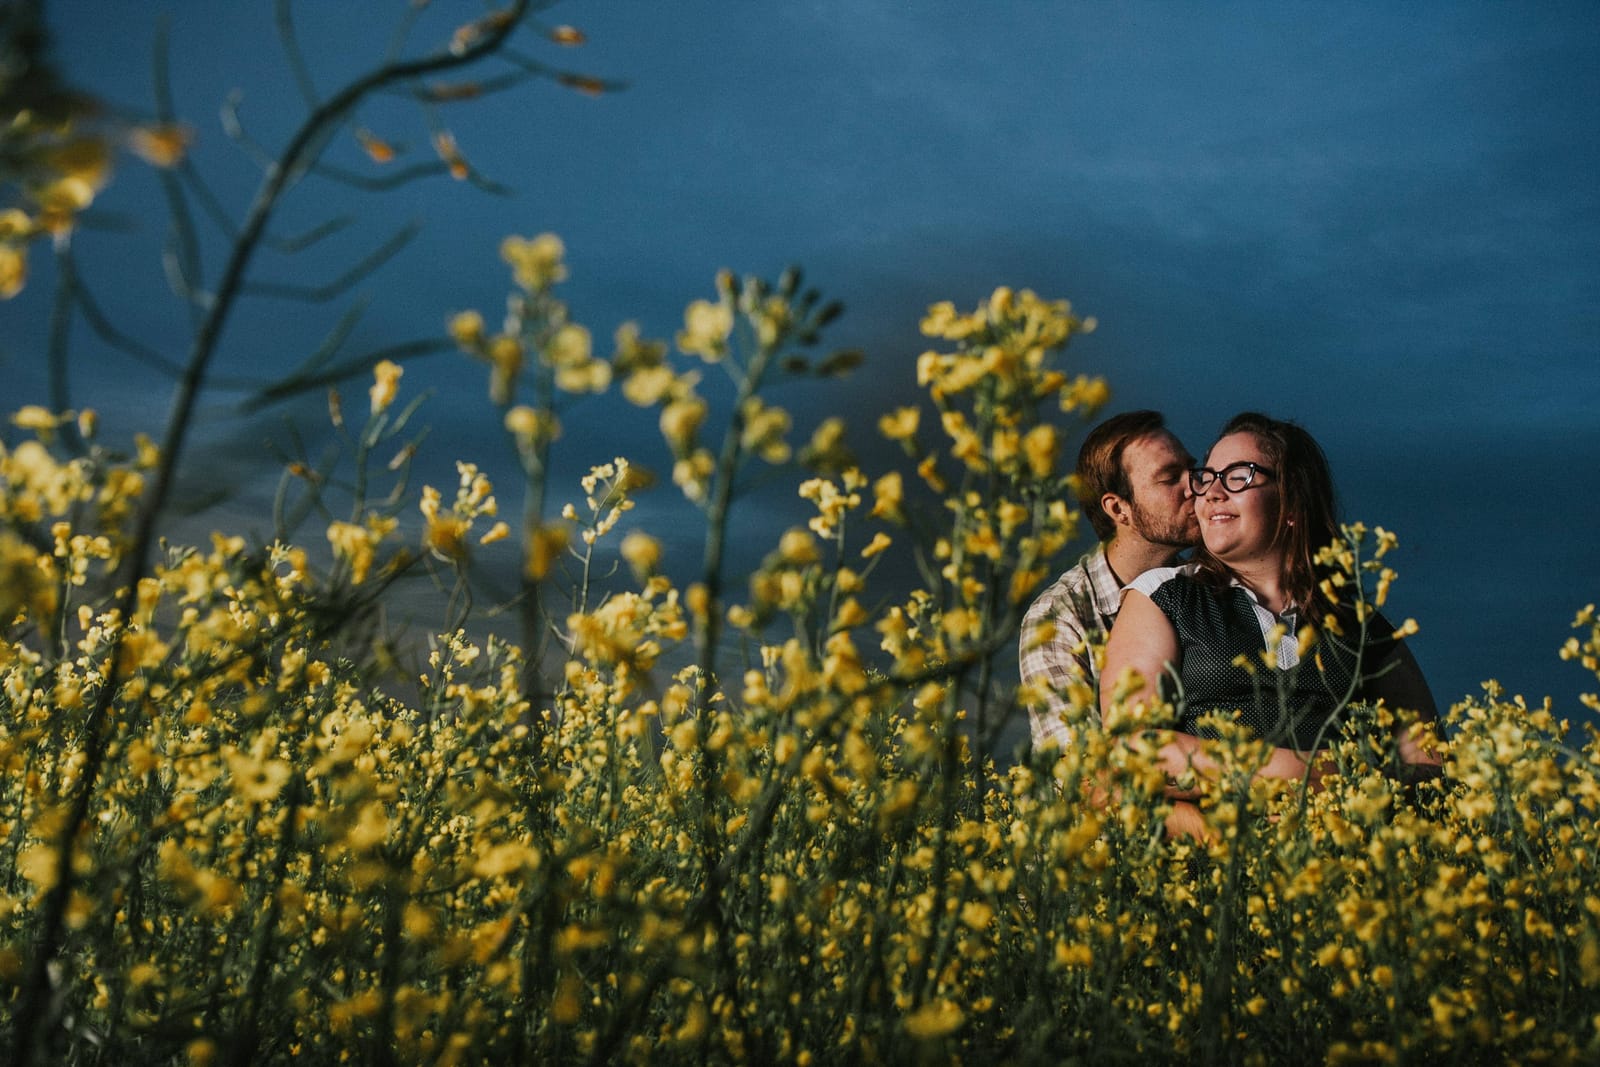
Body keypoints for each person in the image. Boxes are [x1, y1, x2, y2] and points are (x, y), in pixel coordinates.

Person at [1101, 412, 1440, 836]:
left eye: (1239, 475)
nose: (1210, 493)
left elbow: (1428, 764)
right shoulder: (1163, 596)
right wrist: (1301, 773)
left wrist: (1355, 806)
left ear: (1293, 503)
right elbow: (1134, 744)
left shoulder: (1360, 623)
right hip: (1211, 855)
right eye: (1208, 477)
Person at [1020, 410, 1200, 753]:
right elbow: (1079, 773)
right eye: (1170, 477)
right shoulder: (1058, 617)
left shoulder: (1207, 586)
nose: (1195, 486)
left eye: (1192, 469)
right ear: (1119, 510)